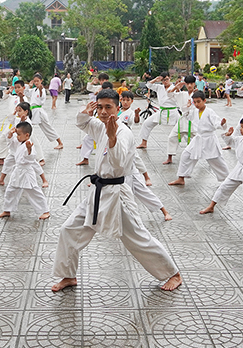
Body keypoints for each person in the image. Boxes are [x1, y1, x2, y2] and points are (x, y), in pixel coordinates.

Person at [51, 89, 183, 292]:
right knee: (69, 230)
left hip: (118, 194)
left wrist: (112, 138)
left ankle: (173, 273)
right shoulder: (101, 126)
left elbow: (119, 163)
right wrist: (85, 112)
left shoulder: (123, 133)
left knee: (137, 237)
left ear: (118, 107)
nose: (103, 112)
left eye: (108, 107)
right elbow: (83, 123)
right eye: (100, 107)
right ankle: (68, 275)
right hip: (97, 192)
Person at [169, 90, 230, 186]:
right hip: (198, 139)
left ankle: (227, 180)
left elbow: (216, 123)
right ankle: (181, 178)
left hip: (209, 139)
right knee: (186, 155)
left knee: (216, 160)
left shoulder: (210, 112)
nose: (196, 104)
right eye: (195, 102)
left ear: (204, 100)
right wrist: (187, 107)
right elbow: (187, 116)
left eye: (198, 101)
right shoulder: (194, 111)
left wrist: (221, 124)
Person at [0, 122, 50, 220]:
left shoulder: (29, 145)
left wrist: (29, 149)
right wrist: (10, 134)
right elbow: (11, 145)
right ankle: (7, 210)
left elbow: (31, 156)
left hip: (26, 173)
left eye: (19, 135)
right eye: (17, 135)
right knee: (10, 190)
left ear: (27, 135)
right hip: (18, 171)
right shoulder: (19, 142)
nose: (17, 137)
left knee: (34, 191)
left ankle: (45, 211)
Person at [0, 102, 48, 187]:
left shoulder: (27, 121)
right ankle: (1, 180)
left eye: (20, 111)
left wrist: (22, 121)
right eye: (17, 111)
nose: (18, 113)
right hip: (15, 146)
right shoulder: (17, 118)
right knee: (7, 162)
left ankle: (44, 180)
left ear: (26, 112)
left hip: (23, 146)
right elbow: (10, 120)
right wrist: (14, 114)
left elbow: (25, 128)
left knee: (34, 164)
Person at [136, 72, 180, 152]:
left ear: (170, 78)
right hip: (161, 111)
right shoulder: (159, 87)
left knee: (181, 129)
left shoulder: (174, 88)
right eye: (163, 80)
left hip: (172, 112)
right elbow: (148, 85)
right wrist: (156, 79)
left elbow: (179, 96)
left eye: (166, 79)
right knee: (146, 123)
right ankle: (144, 142)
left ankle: (189, 144)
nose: (165, 81)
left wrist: (177, 89)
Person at [26, 74, 64, 150]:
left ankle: (60, 143)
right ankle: (26, 141)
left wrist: (40, 90)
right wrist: (29, 86)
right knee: (27, 126)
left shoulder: (42, 90)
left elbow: (41, 96)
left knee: (47, 128)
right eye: (35, 81)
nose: (36, 83)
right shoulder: (33, 90)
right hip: (33, 111)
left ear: (41, 81)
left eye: (38, 81)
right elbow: (26, 92)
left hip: (39, 112)